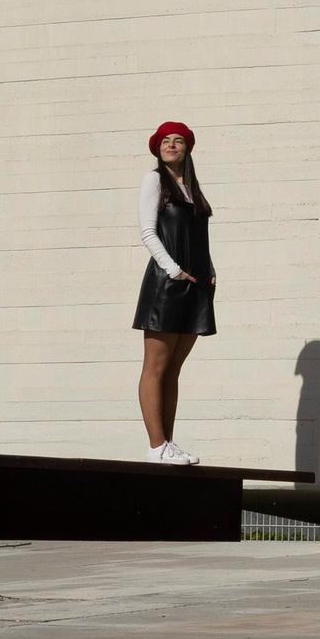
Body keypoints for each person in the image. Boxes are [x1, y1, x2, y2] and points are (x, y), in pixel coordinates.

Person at [133, 121, 216, 465]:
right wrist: (174, 270)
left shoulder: (193, 190)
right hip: (167, 284)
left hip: (195, 287)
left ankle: (168, 443)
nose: (171, 145)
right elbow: (148, 232)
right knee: (156, 366)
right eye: (165, 140)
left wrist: (209, 270)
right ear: (157, 148)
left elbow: (200, 238)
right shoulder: (154, 181)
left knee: (174, 369)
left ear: (187, 148)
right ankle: (156, 446)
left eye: (177, 140)